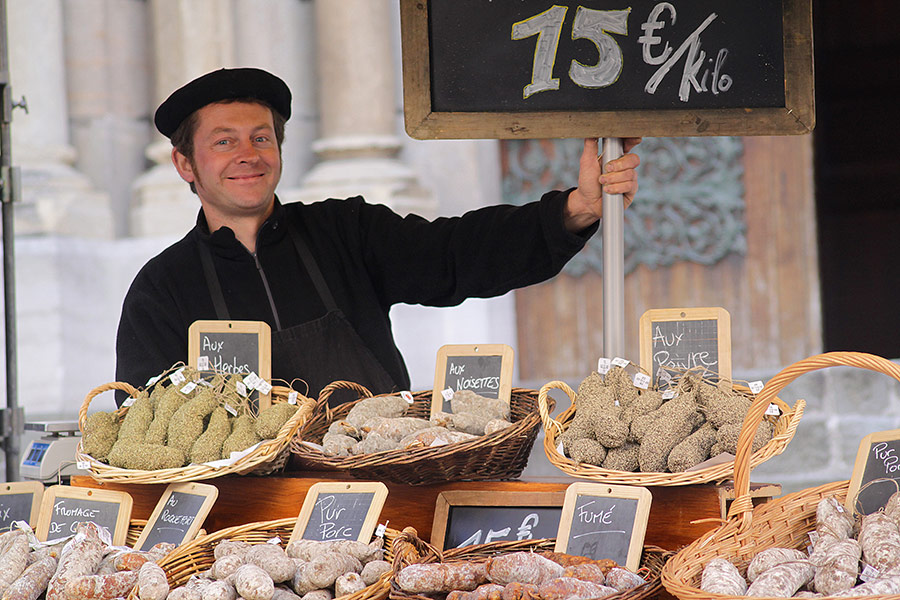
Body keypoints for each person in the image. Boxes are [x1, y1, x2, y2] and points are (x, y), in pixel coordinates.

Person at [115, 67, 640, 403]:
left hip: (378, 489)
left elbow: (457, 253)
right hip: (249, 522)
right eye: (224, 141)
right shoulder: (162, 289)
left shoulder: (345, 231)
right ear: (185, 163)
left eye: (261, 137)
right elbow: (146, 425)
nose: (248, 154)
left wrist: (574, 210)